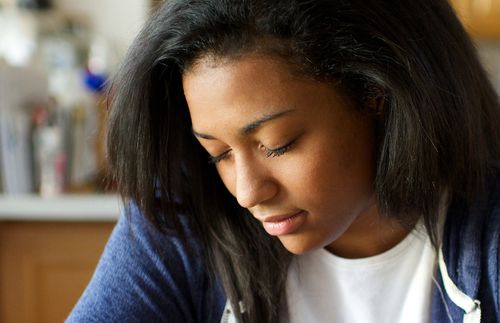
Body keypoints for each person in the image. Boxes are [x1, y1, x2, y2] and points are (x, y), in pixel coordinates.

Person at [67, 0, 500, 322]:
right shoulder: (182, 212)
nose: (247, 192)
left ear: (376, 95)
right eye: (217, 153)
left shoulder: (489, 222)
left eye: (277, 143)